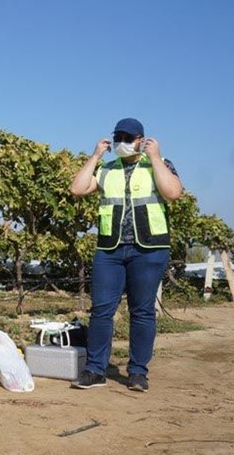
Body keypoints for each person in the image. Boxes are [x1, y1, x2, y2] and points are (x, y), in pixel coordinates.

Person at [69, 117, 183, 393]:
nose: (122, 142)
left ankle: (137, 372)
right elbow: (77, 188)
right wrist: (95, 156)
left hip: (149, 249)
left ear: (141, 140)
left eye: (127, 137)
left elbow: (173, 192)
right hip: (110, 249)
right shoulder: (108, 169)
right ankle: (96, 370)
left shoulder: (160, 165)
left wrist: (154, 158)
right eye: (118, 137)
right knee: (101, 311)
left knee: (142, 311)